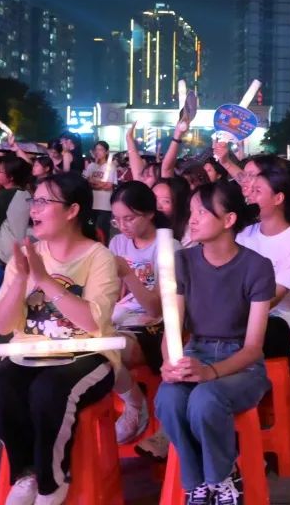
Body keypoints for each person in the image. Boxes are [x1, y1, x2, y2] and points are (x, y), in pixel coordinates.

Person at [0, 172, 120, 505]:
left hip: (87, 354)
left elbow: (93, 322)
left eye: (44, 202)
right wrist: (21, 279)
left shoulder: (99, 257)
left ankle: (51, 483)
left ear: (72, 210)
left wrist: (44, 280)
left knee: (48, 392)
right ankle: (26, 473)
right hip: (29, 353)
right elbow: (2, 324)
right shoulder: (25, 256)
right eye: (34, 201)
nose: (34, 209)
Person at [154, 181, 275, 505]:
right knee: (168, 399)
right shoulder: (183, 261)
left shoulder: (257, 267)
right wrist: (170, 362)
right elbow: (172, 327)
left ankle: (222, 476)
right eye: (191, 211)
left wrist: (211, 372)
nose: (192, 219)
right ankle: (197, 482)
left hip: (242, 363)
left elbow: (253, 348)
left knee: (205, 400)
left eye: (202, 212)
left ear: (229, 219)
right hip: (196, 350)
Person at [109, 181, 178, 444]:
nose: (122, 226)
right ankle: (132, 400)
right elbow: (114, 295)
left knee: (105, 352)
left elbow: (155, 307)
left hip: (152, 327)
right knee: (86, 347)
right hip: (122, 319)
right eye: (117, 220)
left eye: (129, 218)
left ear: (149, 213)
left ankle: (135, 406)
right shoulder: (118, 243)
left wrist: (128, 273)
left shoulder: (168, 246)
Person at [235, 164, 290, 365]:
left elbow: (274, 297)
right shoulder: (244, 235)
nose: (250, 197)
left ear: (278, 198)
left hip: (282, 319)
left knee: (258, 330)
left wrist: (230, 312)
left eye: (257, 191)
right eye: (251, 191)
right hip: (241, 313)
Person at [83, 141, 117, 242]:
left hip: (104, 206)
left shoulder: (110, 167)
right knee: (90, 230)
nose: (98, 152)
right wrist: (101, 184)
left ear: (106, 152)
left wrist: (93, 182)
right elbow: (86, 182)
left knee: (103, 232)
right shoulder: (91, 166)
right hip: (91, 204)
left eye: (101, 149)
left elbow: (109, 186)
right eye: (96, 149)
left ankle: (103, 250)